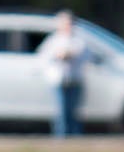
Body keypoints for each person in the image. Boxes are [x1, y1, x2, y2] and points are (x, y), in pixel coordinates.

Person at [35, 10, 91, 138]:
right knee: (61, 113)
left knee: (74, 113)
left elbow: (86, 56)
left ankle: (75, 139)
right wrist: (58, 55)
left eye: (70, 22)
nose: (68, 25)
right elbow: (43, 57)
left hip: (75, 80)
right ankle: (61, 138)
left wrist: (72, 54)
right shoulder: (53, 40)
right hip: (59, 81)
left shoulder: (79, 39)